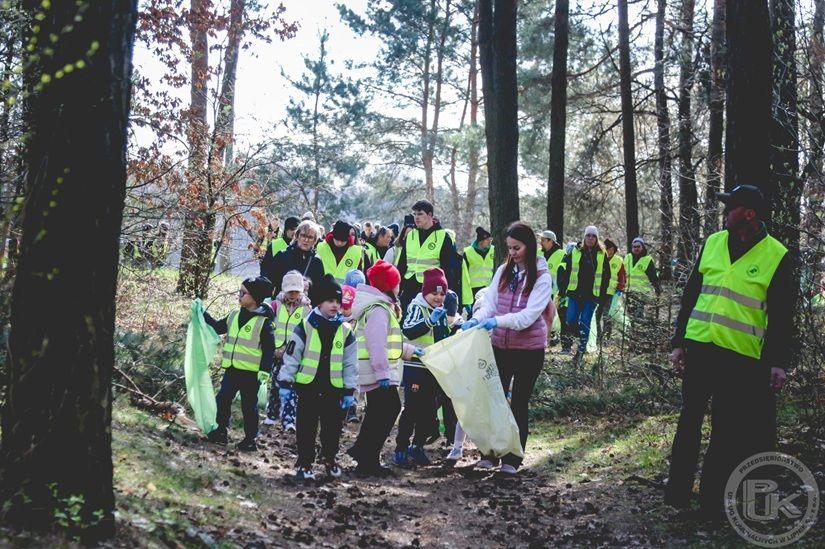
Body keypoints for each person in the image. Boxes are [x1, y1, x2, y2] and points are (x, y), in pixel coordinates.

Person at [665, 185, 792, 519]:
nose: (724, 211)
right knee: (689, 420)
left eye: (731, 206)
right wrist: (678, 342)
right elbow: (691, 295)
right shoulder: (713, 243)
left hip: (740, 357)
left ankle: (710, 500)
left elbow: (781, 316)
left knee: (725, 430)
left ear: (749, 213)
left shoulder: (776, 255)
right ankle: (677, 494)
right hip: (700, 348)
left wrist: (778, 363)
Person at [463, 222, 555, 474]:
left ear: (530, 246)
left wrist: (497, 321)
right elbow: (490, 303)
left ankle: (513, 459)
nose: (512, 252)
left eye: (517, 247)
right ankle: (490, 453)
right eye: (509, 248)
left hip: (529, 350)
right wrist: (478, 318)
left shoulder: (542, 278)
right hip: (500, 346)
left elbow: (527, 317)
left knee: (518, 403)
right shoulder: (504, 271)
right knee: (494, 401)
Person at [277, 275, 358, 480]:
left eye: (338, 302)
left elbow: (350, 363)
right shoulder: (305, 326)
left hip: (334, 387)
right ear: (320, 302)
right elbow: (292, 355)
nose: (335, 306)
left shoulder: (345, 331)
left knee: (332, 428)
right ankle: (305, 463)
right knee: (306, 427)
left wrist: (350, 389)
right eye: (330, 301)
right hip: (308, 386)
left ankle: (330, 458)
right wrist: (286, 381)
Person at [347, 260, 418, 476]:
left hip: (374, 369)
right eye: (397, 283)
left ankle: (363, 453)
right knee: (390, 409)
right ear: (388, 286)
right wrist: (382, 373)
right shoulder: (379, 309)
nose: (399, 287)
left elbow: (387, 341)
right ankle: (368, 458)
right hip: (376, 371)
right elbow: (376, 343)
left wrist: (408, 350)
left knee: (378, 411)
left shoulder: (379, 306)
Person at [203, 276, 275, 451]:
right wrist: (202, 314)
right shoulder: (234, 316)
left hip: (251, 373)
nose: (239, 296)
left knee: (248, 406)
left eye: (244, 293)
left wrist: (265, 371)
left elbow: (269, 349)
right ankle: (221, 430)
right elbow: (218, 327)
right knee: (222, 399)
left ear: (255, 297)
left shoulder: (264, 323)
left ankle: (250, 439)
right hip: (232, 370)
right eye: (239, 292)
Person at [395, 268, 452, 467]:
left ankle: (417, 446)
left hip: (434, 369)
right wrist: (429, 320)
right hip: (415, 367)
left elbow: (443, 337)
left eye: (442, 294)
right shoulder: (417, 307)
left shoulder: (442, 312)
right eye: (434, 293)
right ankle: (401, 446)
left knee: (429, 412)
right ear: (425, 292)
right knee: (412, 409)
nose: (438, 297)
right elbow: (408, 330)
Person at [264, 270, 311, 430]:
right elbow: (268, 328)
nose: (292, 294)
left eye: (296, 291)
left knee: (291, 386)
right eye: (290, 290)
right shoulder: (275, 306)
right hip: (277, 352)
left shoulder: (306, 310)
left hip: (295, 355)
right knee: (275, 384)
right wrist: (273, 348)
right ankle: (272, 414)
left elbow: (308, 333)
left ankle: (289, 419)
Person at [557, 226, 610, 362]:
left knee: (585, 321)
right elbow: (565, 269)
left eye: (593, 236)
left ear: (597, 238)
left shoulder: (601, 253)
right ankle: (579, 337)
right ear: (584, 237)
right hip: (575, 293)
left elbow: (606, 275)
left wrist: (602, 295)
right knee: (571, 320)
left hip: (591, 295)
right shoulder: (575, 250)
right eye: (588, 236)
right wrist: (562, 288)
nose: (590, 238)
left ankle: (580, 351)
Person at [395, 200, 457, 313]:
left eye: (420, 214)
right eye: (415, 214)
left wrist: (447, 294)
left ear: (430, 215)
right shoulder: (411, 235)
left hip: (431, 290)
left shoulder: (443, 236)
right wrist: (397, 290)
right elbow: (402, 265)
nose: (416, 217)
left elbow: (448, 269)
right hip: (409, 287)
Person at [261, 220, 325, 302]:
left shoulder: (316, 262)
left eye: (310, 237)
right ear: (297, 236)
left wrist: (308, 285)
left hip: (304, 309)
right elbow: (269, 282)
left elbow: (319, 291)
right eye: (303, 235)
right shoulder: (282, 256)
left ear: (315, 240)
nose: (306, 240)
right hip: (281, 306)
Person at [624, 237, 662, 331]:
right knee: (630, 316)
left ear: (643, 247)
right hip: (629, 292)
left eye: (638, 246)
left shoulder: (647, 260)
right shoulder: (628, 257)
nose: (636, 249)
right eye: (634, 247)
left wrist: (657, 289)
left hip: (641, 293)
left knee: (638, 316)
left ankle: (639, 335)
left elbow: (653, 277)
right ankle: (633, 335)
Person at [316, 220, 365, 285]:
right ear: (333, 235)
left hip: (347, 293)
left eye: (343, 241)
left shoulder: (357, 252)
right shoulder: (320, 247)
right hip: (321, 290)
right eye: (337, 240)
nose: (339, 243)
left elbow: (360, 276)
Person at [596, 238, 626, 342]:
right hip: (598, 291)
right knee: (596, 315)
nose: (608, 251)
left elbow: (622, 276)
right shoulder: (600, 257)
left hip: (611, 291)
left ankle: (606, 338)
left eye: (610, 249)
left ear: (613, 249)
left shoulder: (618, 260)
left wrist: (620, 288)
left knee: (607, 316)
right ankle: (598, 337)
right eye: (606, 249)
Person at [461, 227, 495, 317]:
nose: (490, 242)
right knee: (474, 315)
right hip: (473, 291)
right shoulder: (468, 252)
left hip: (490, 288)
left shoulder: (494, 250)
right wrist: (466, 299)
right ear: (481, 241)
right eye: (488, 240)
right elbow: (464, 276)